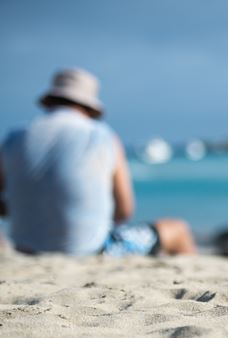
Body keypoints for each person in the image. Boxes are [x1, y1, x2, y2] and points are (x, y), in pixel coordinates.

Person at [0, 68, 197, 256]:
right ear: (89, 107)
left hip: (24, 250)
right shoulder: (102, 137)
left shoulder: (14, 137)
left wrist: (27, 207)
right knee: (178, 230)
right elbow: (124, 210)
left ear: (50, 101)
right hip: (89, 250)